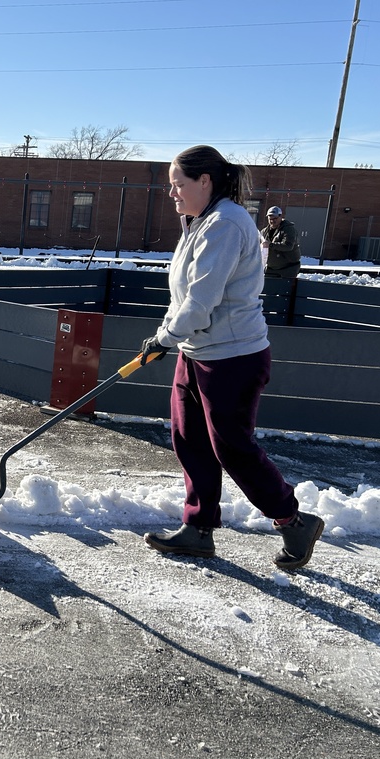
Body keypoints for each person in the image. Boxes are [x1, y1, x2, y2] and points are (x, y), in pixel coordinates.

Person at [140, 145, 324, 571]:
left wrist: (166, 338)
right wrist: (166, 336)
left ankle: (293, 520)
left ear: (205, 181)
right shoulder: (200, 222)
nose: (172, 194)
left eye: (178, 185)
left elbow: (202, 302)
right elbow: (183, 294)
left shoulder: (225, 224)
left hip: (232, 358)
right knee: (190, 440)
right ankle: (198, 529)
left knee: (232, 448)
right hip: (198, 351)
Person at [260, 205, 301, 277]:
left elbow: (288, 246)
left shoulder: (288, 229)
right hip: (271, 268)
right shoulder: (264, 231)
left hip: (288, 268)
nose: (272, 221)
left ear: (280, 217)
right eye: (270, 219)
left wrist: (270, 245)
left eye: (275, 218)